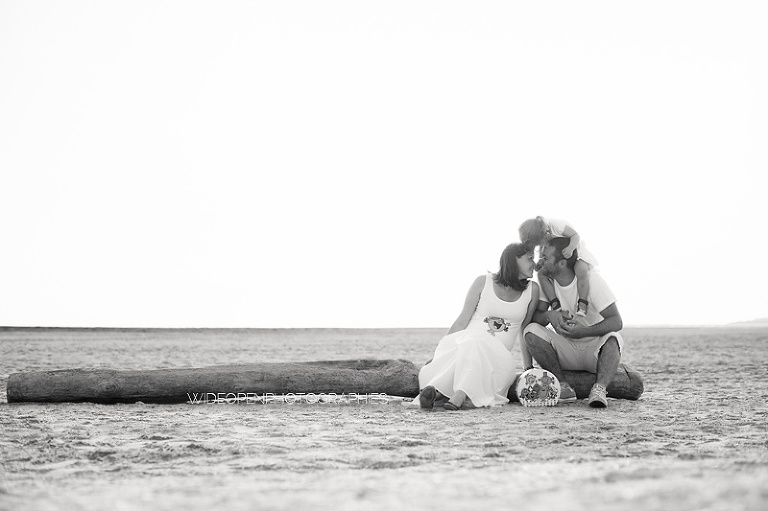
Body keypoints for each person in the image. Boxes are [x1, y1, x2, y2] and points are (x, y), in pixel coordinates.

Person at [417, 243, 539, 410]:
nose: (535, 263)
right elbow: (462, 321)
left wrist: (528, 367)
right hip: (465, 345)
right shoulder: (483, 282)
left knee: (475, 345)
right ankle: (446, 395)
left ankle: (451, 394)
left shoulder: (532, 290)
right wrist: (439, 354)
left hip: (498, 359)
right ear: (513, 261)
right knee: (471, 346)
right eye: (530, 258)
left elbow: (524, 330)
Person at [523, 237, 623, 408]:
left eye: (546, 258)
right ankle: (562, 386)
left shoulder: (591, 281)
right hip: (565, 351)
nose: (540, 262)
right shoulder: (548, 283)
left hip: (593, 352)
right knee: (531, 330)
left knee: (614, 337)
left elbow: (616, 321)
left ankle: (599, 389)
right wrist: (549, 315)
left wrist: (584, 331)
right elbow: (535, 318)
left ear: (561, 263)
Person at [519, 216, 598, 317]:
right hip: (560, 258)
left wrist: (570, 248)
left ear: (543, 232)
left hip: (576, 252)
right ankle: (555, 303)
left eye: (541, 242)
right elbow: (545, 254)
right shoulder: (543, 237)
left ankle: (582, 303)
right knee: (541, 275)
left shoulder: (556, 225)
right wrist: (540, 262)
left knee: (581, 269)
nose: (543, 244)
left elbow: (575, 236)